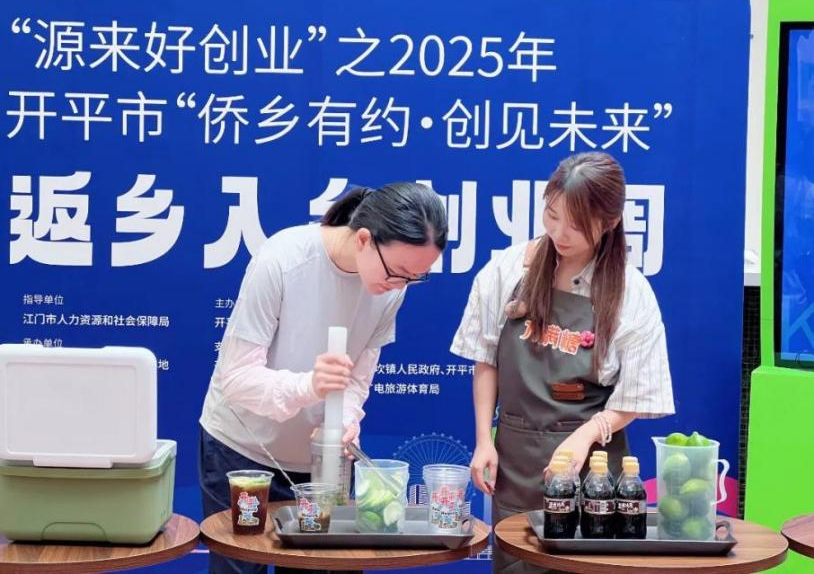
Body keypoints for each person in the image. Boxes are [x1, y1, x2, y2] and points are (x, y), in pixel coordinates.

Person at [200, 182, 448, 574]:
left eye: (415, 278)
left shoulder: (391, 290)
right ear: (364, 239)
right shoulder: (283, 259)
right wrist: (309, 386)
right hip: (244, 452)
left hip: (321, 463)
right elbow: (236, 376)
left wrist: (344, 420)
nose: (400, 286)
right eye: (398, 272)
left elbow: (357, 378)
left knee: (323, 565)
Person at [451, 152, 675, 573]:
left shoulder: (630, 292)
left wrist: (585, 436)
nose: (559, 233)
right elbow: (486, 360)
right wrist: (483, 439)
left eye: (576, 224)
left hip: (594, 471)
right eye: (552, 216)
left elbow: (637, 394)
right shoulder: (506, 270)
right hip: (516, 463)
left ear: (609, 222)